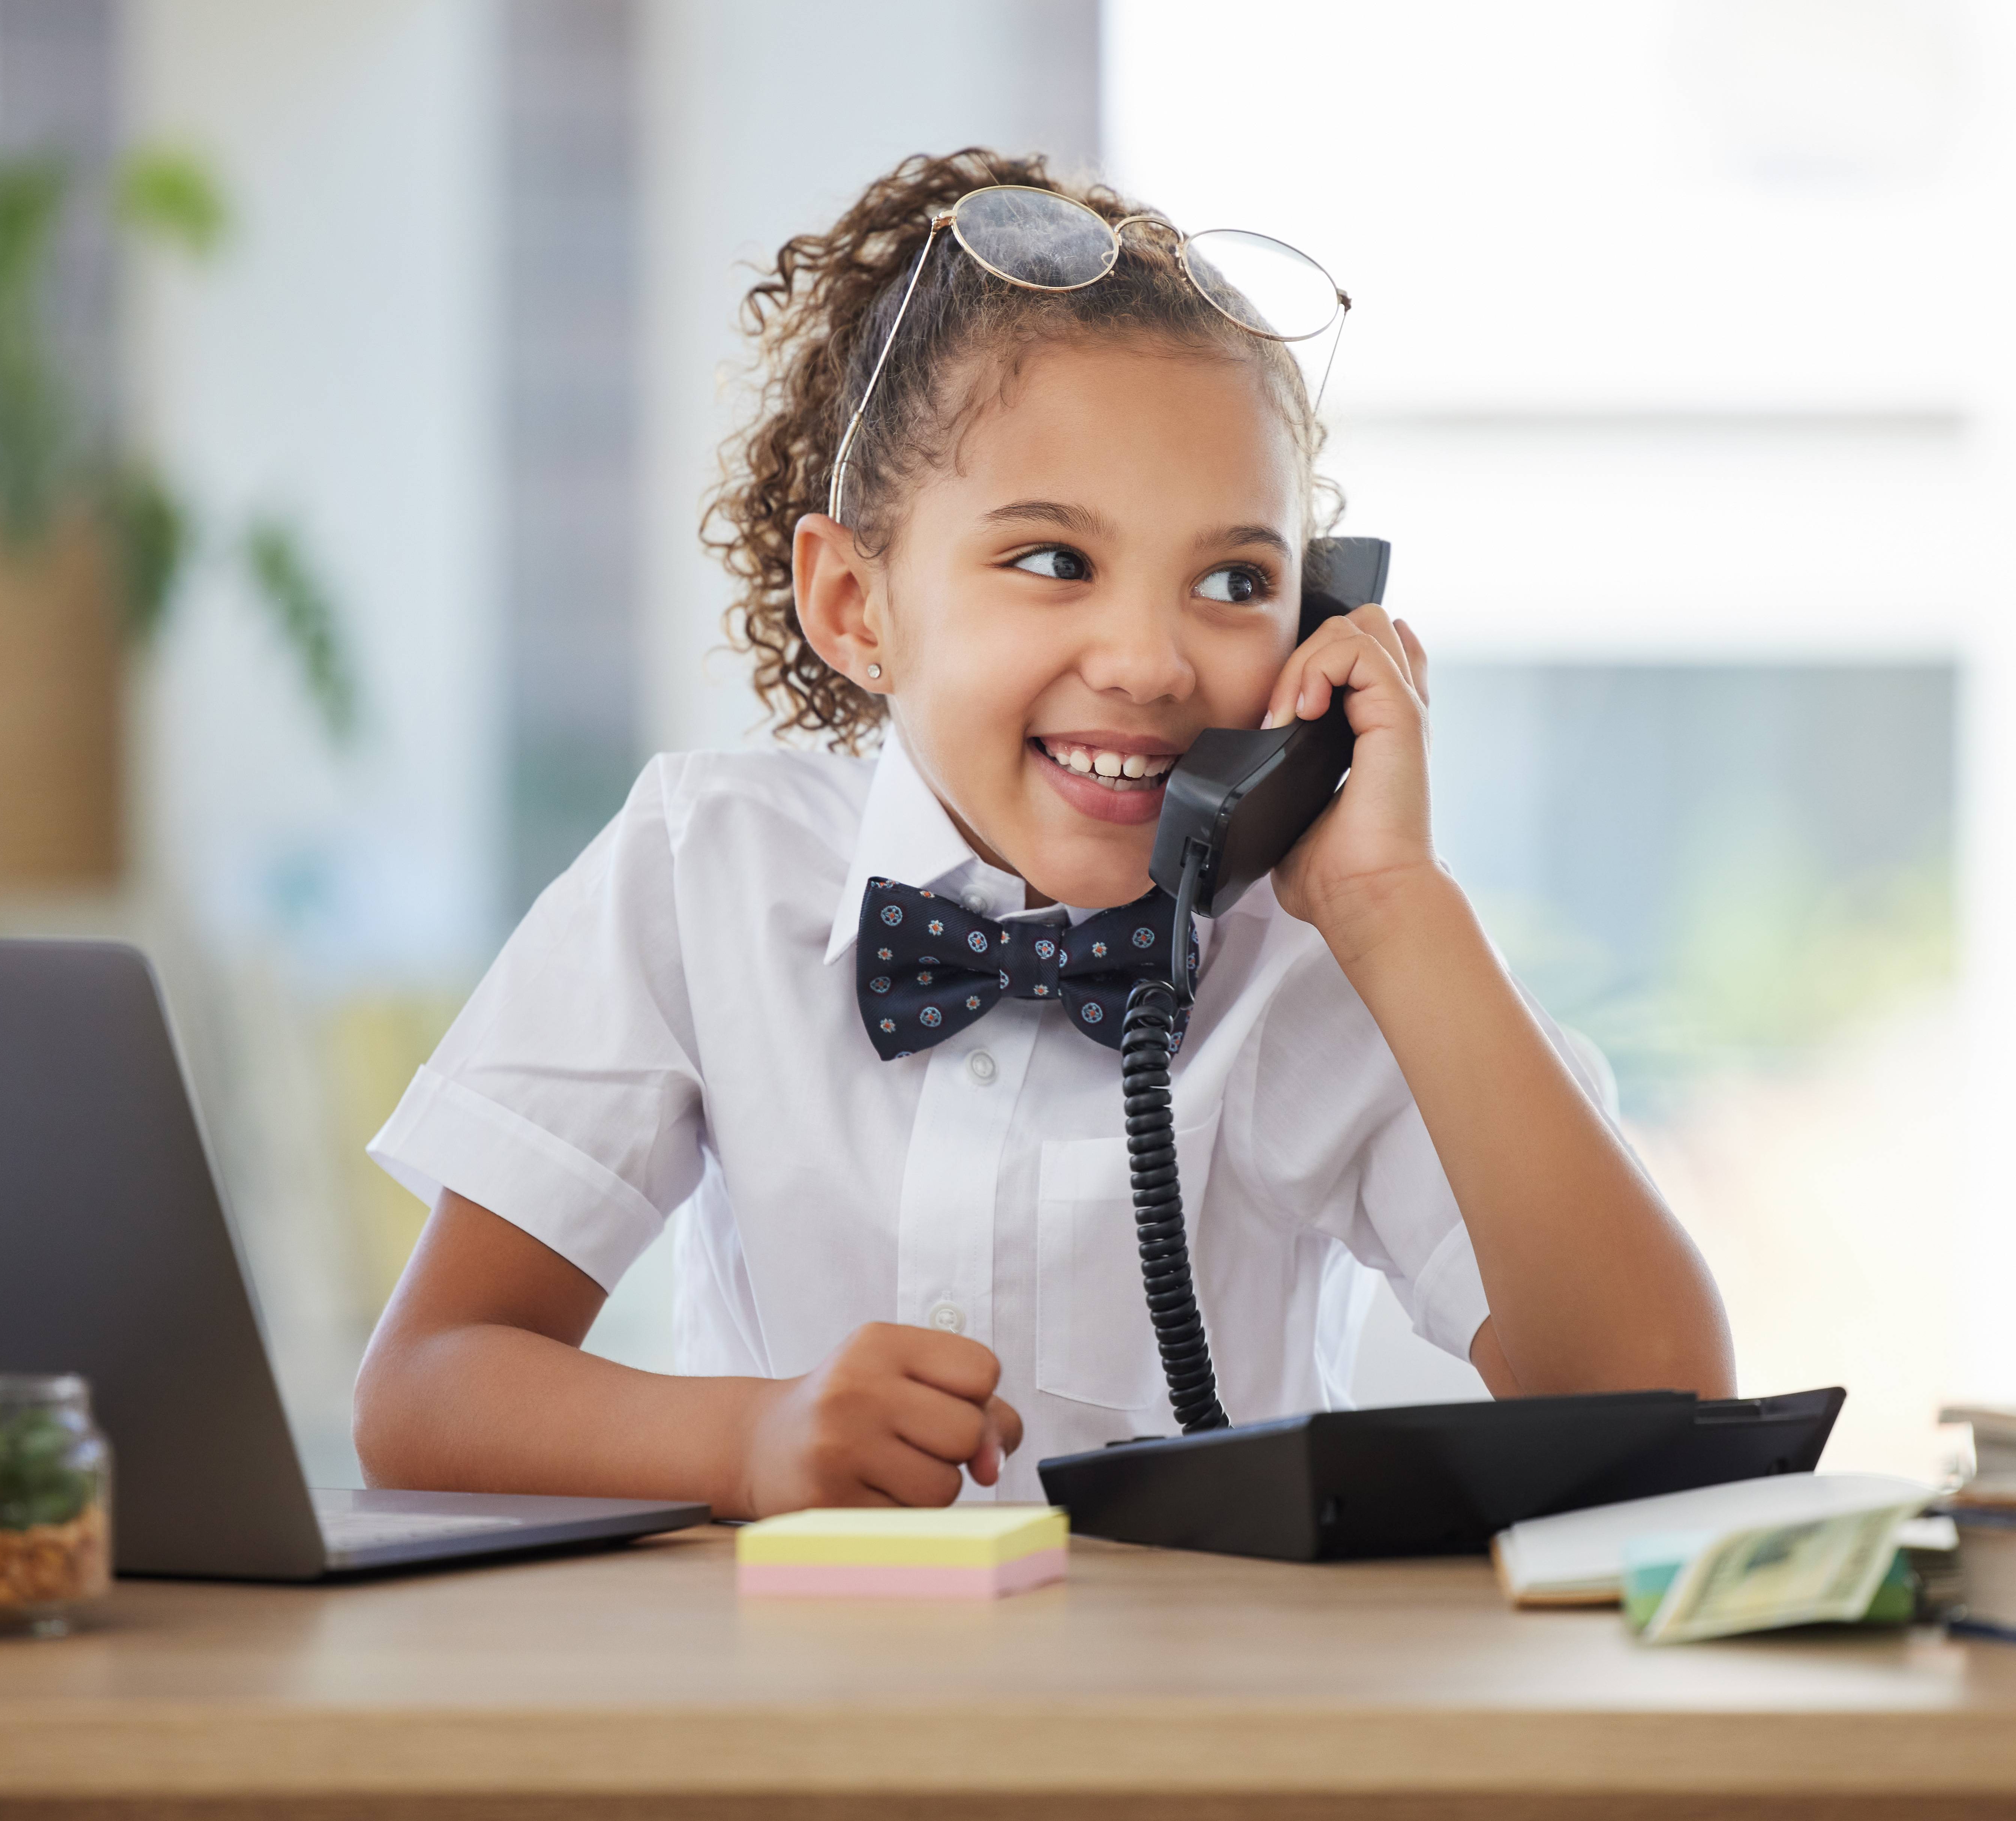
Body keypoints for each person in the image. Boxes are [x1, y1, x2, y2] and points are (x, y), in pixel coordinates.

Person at [352, 149, 1731, 1517]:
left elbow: (1669, 1412)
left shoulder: (1324, 961)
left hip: (1192, 1728)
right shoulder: (701, 866)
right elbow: (424, 1390)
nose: (1146, 660)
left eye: (1234, 579)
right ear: (854, 605)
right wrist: (746, 1439)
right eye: (1053, 561)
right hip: (795, 1719)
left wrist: (1391, 902)